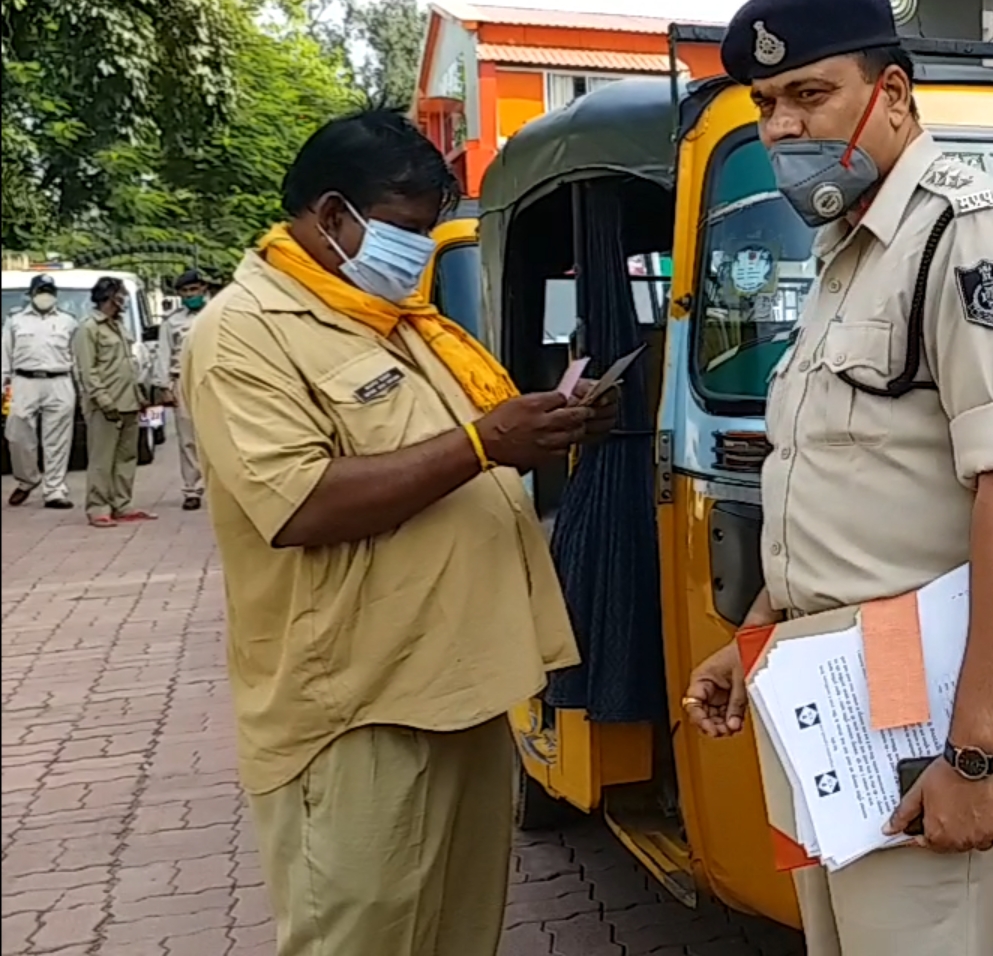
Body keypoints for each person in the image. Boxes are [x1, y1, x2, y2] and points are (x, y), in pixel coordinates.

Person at [680, 0, 993, 956]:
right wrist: (763, 631)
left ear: (892, 94)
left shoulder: (968, 235)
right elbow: (843, 484)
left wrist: (975, 756)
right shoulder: (846, 257)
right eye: (767, 103)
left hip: (916, 692)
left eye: (810, 94)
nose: (780, 126)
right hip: (825, 689)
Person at [180, 108, 617, 956]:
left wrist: (537, 435)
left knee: (458, 934)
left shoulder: (392, 322)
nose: (420, 251)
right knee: (364, 938)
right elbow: (302, 504)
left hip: (461, 682)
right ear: (333, 216)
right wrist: (489, 442)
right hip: (359, 705)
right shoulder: (243, 334)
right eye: (408, 230)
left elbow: (445, 463)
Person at [72, 276, 152, 527]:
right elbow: (88, 370)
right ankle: (98, 508)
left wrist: (140, 397)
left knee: (126, 458)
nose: (123, 300)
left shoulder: (118, 325)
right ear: (109, 297)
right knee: (102, 458)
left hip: (128, 401)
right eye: (120, 295)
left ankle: (122, 504)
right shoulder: (89, 328)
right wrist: (105, 401)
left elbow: (128, 364)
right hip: (104, 405)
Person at [4, 274, 78, 509]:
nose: (45, 295)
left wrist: (82, 387)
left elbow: (77, 357)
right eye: (40, 290)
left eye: (49, 290)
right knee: (17, 435)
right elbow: (4, 354)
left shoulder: (69, 322)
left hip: (60, 381)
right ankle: (27, 479)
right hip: (24, 381)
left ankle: (55, 490)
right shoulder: (15, 321)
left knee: (57, 440)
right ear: (32, 294)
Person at [158, 268, 211, 509]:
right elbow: (164, 354)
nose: (191, 295)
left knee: (221, 435)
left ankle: (226, 489)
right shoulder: (172, 322)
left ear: (203, 289)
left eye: (194, 290)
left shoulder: (218, 312)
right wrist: (164, 386)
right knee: (188, 438)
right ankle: (192, 489)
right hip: (183, 380)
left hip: (214, 378)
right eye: (186, 291)